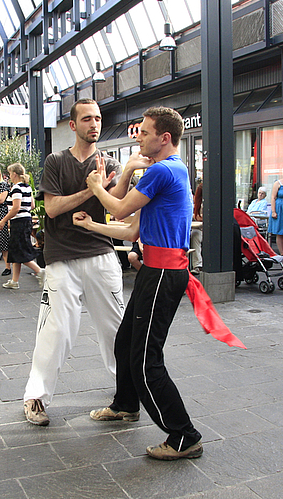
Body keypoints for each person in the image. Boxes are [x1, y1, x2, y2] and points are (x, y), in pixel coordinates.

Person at [81, 106, 206, 461]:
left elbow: (118, 210)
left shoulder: (163, 171)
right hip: (156, 270)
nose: (139, 138)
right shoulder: (170, 171)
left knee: (145, 360)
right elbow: (132, 229)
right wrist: (90, 226)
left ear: (164, 138)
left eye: (145, 132)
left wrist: (94, 187)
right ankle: (125, 404)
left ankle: (184, 435)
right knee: (125, 343)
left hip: (163, 274)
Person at [22, 98, 127, 427]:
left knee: (116, 329)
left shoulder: (110, 163)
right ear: (73, 125)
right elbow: (52, 209)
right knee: (55, 330)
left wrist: (118, 183)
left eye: (97, 118)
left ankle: (127, 395)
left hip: (101, 254)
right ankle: (36, 397)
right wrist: (91, 190)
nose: (94, 124)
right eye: (86, 119)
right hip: (62, 257)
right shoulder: (56, 162)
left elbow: (122, 205)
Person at [0, 163, 43, 289]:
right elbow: (32, 205)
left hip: (19, 222)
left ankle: (40, 272)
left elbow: (16, 208)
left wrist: (4, 220)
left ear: (14, 174)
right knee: (16, 251)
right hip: (26, 220)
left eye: (10, 173)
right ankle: (14, 281)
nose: (9, 176)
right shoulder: (27, 187)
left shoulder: (16, 188)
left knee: (20, 251)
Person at [190, 182, 203, 275]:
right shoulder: (196, 203)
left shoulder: (202, 204)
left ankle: (197, 264)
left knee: (195, 235)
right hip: (198, 227)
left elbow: (200, 217)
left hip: (202, 229)